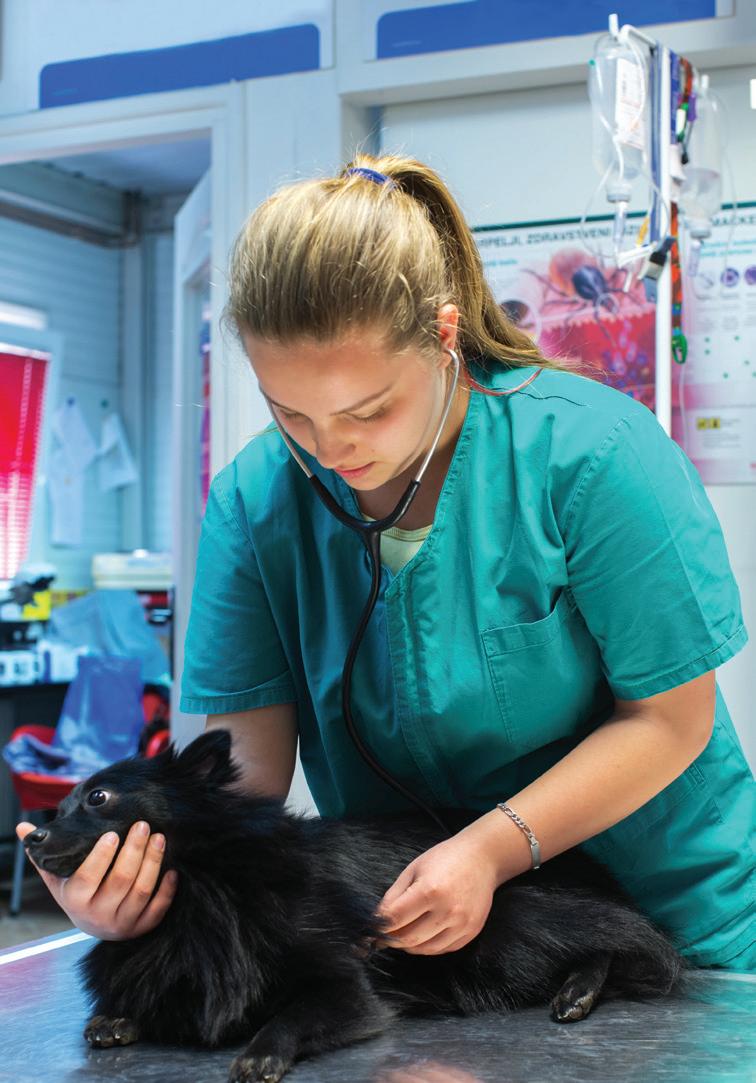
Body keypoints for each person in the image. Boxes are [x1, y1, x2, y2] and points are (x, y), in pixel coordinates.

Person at [18, 155, 754, 971]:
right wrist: (138, 878)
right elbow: (237, 782)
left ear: (443, 336)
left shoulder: (596, 454)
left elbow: (669, 719)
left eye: (368, 410)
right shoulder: (253, 504)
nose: (331, 449)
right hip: (437, 950)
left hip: (673, 919)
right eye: (290, 413)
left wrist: (490, 848)